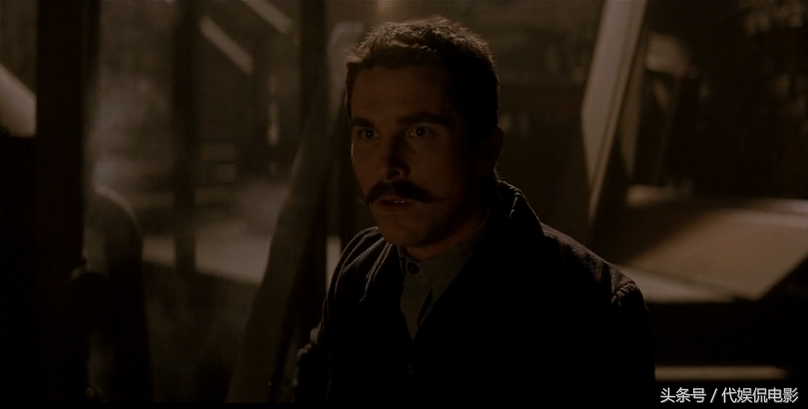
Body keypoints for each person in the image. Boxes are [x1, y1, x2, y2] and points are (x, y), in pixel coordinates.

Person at [294, 16, 656, 403]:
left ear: (486, 150)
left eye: (419, 132)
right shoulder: (359, 269)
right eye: (368, 134)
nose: (387, 166)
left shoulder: (590, 304)